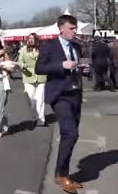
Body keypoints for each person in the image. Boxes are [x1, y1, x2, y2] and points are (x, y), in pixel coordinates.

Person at [35, 15, 85, 194]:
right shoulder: (49, 46)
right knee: (70, 133)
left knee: (71, 136)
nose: (74, 31)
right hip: (59, 95)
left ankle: (63, 173)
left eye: (75, 28)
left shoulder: (76, 47)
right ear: (61, 29)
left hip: (75, 94)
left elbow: (79, 66)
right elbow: (39, 68)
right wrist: (61, 65)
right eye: (71, 28)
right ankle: (61, 175)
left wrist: (83, 68)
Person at [17, 33, 47, 126]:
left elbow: (46, 60)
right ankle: (34, 115)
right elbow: (19, 61)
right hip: (28, 76)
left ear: (36, 40)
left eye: (33, 38)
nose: (31, 40)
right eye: (29, 38)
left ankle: (41, 119)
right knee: (30, 98)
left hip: (41, 77)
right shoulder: (23, 50)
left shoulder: (42, 49)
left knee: (40, 99)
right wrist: (23, 65)